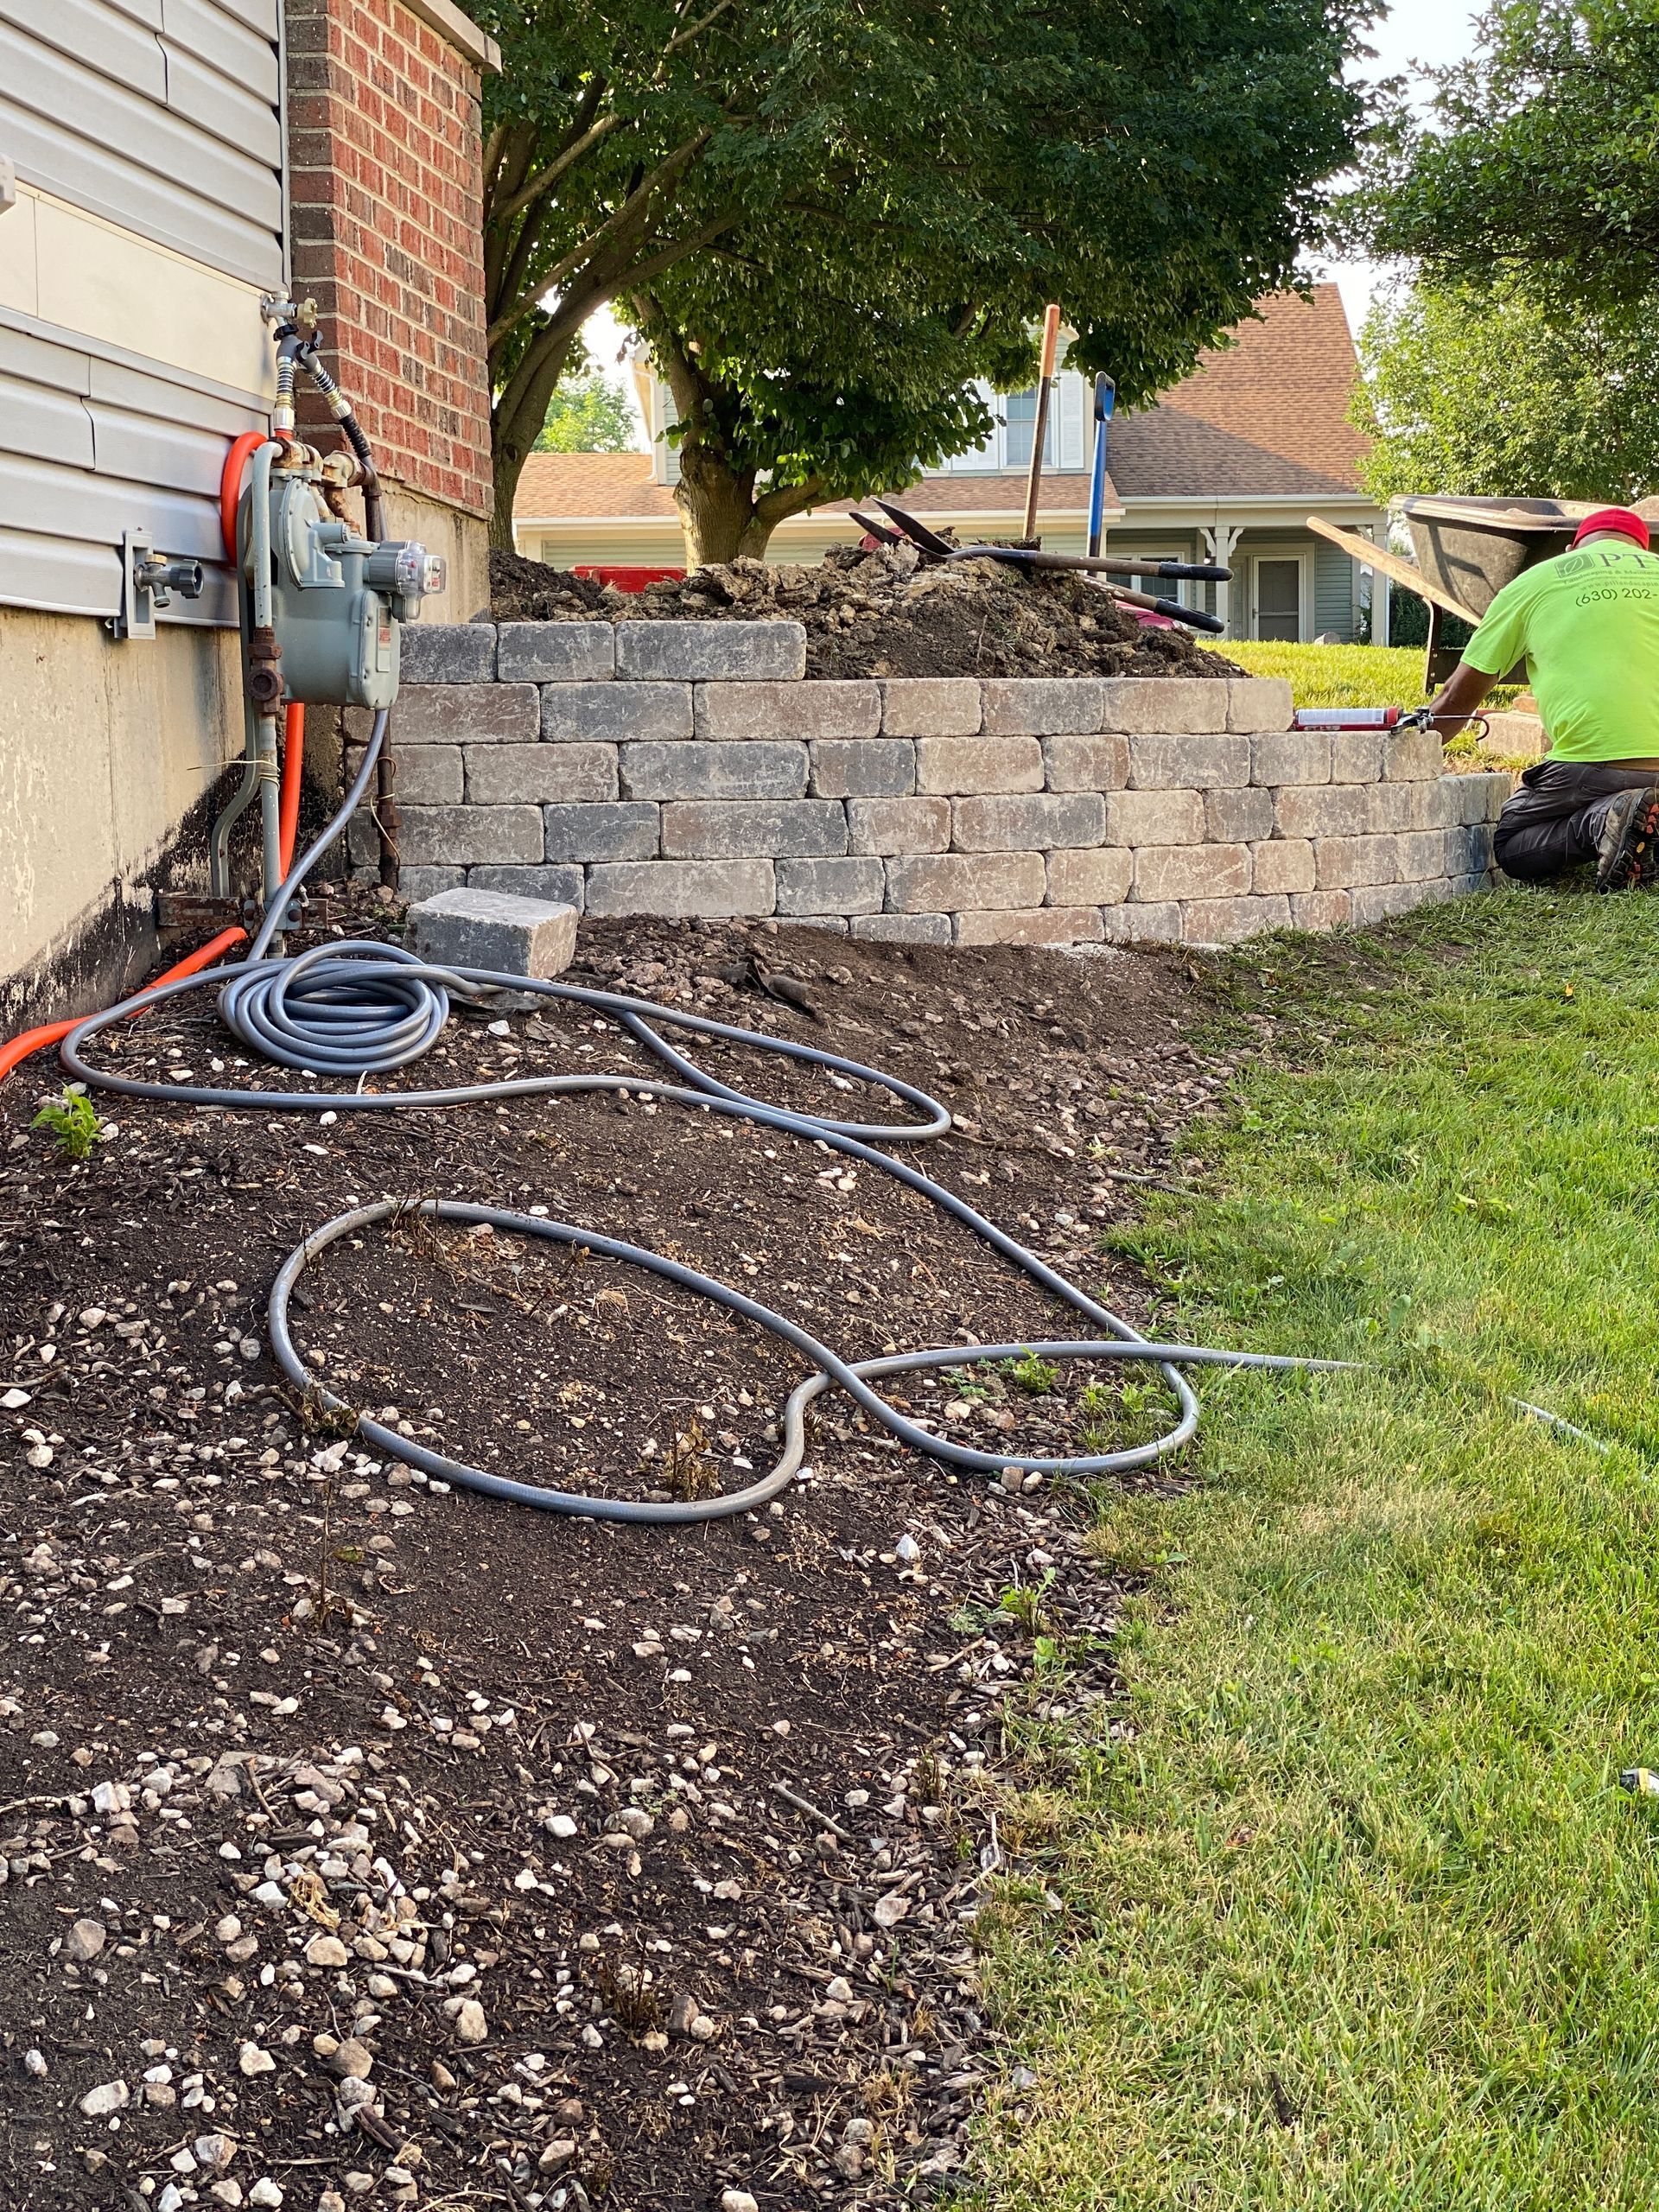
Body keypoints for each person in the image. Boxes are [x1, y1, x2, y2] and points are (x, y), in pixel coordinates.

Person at [1425, 506, 1659, 890]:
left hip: (1593, 762)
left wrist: (1414, 752)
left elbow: (1456, 697)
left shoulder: (1538, 580)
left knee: (1514, 845)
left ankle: (1604, 820)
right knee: (1641, 809)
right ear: (1642, 550)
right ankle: (1635, 821)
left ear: (1572, 548)